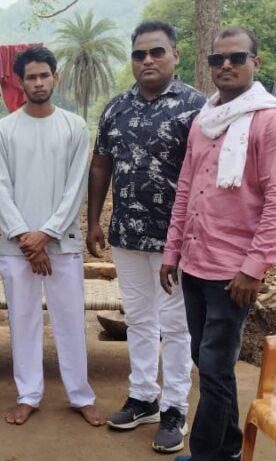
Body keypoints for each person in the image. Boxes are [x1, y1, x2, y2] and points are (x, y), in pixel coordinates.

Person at [159, 27, 276, 461]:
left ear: (255, 63)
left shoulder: (271, 120)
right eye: (217, 59)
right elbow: (186, 189)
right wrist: (172, 251)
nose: (225, 65)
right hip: (195, 262)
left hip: (233, 272)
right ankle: (228, 448)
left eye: (236, 58)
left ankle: (206, 454)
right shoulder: (205, 119)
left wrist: (254, 268)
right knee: (209, 364)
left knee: (215, 369)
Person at [88, 20, 206, 454]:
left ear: (175, 55)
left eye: (157, 52)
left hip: (177, 239)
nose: (148, 60)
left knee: (175, 325)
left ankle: (175, 408)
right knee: (138, 318)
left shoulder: (197, 107)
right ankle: (143, 397)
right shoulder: (117, 108)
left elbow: (209, 173)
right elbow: (101, 163)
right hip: (127, 234)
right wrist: (94, 220)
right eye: (139, 54)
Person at [0, 45, 105, 427]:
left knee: (70, 321)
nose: (38, 82)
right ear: (20, 82)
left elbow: (75, 188)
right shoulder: (4, 130)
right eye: (31, 77)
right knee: (22, 322)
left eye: (44, 75)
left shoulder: (74, 127)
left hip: (62, 243)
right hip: (17, 246)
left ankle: (80, 395)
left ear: (55, 77)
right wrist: (27, 237)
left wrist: (46, 234)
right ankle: (28, 395)